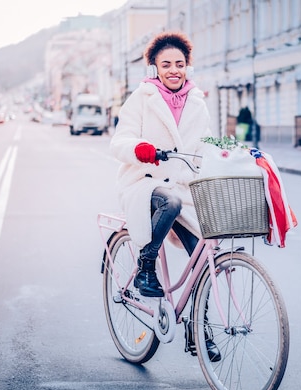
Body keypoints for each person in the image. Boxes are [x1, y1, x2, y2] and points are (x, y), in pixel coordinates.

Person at [109, 32, 220, 361]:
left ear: (188, 67)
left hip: (185, 187)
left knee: (204, 259)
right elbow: (119, 142)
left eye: (180, 64)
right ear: (154, 68)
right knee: (167, 202)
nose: (174, 70)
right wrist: (139, 149)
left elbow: (207, 146)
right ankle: (146, 266)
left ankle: (200, 328)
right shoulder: (142, 99)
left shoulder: (197, 102)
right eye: (166, 64)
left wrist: (233, 155)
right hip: (145, 182)